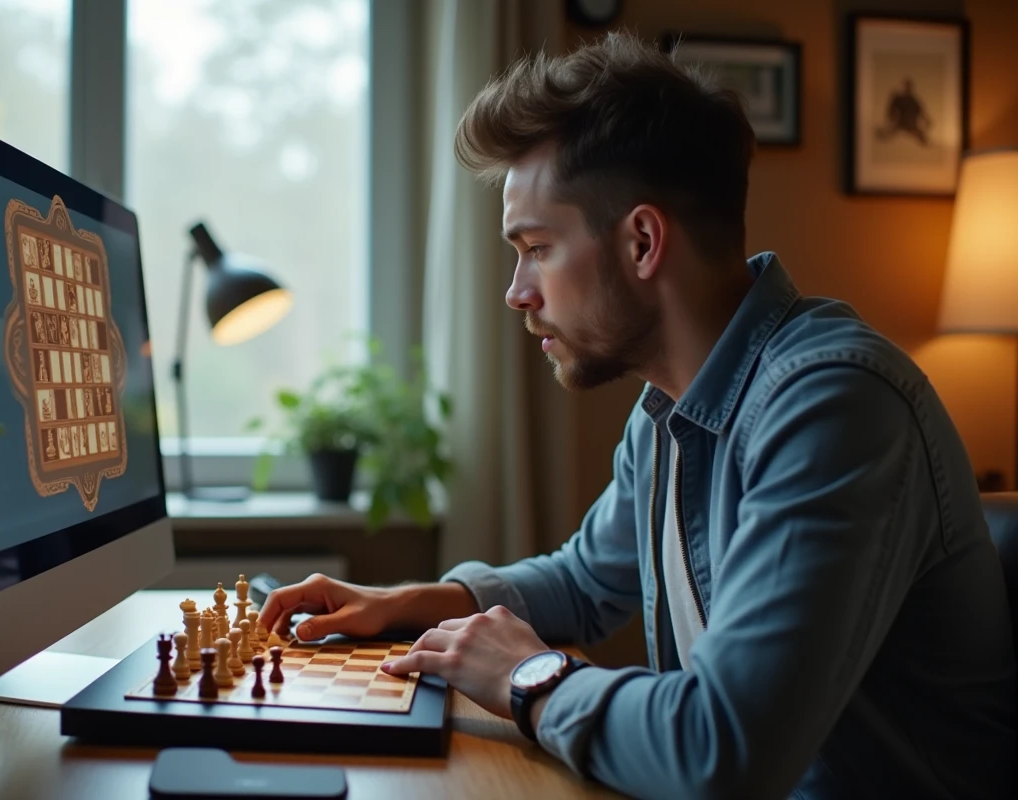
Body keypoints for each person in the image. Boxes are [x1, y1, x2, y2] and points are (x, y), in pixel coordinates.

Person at [260, 32, 1016, 799]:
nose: (517, 291)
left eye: (537, 248)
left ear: (644, 242)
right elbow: (586, 580)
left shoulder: (834, 404)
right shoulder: (669, 406)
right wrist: (410, 603)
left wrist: (527, 676)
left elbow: (722, 748)